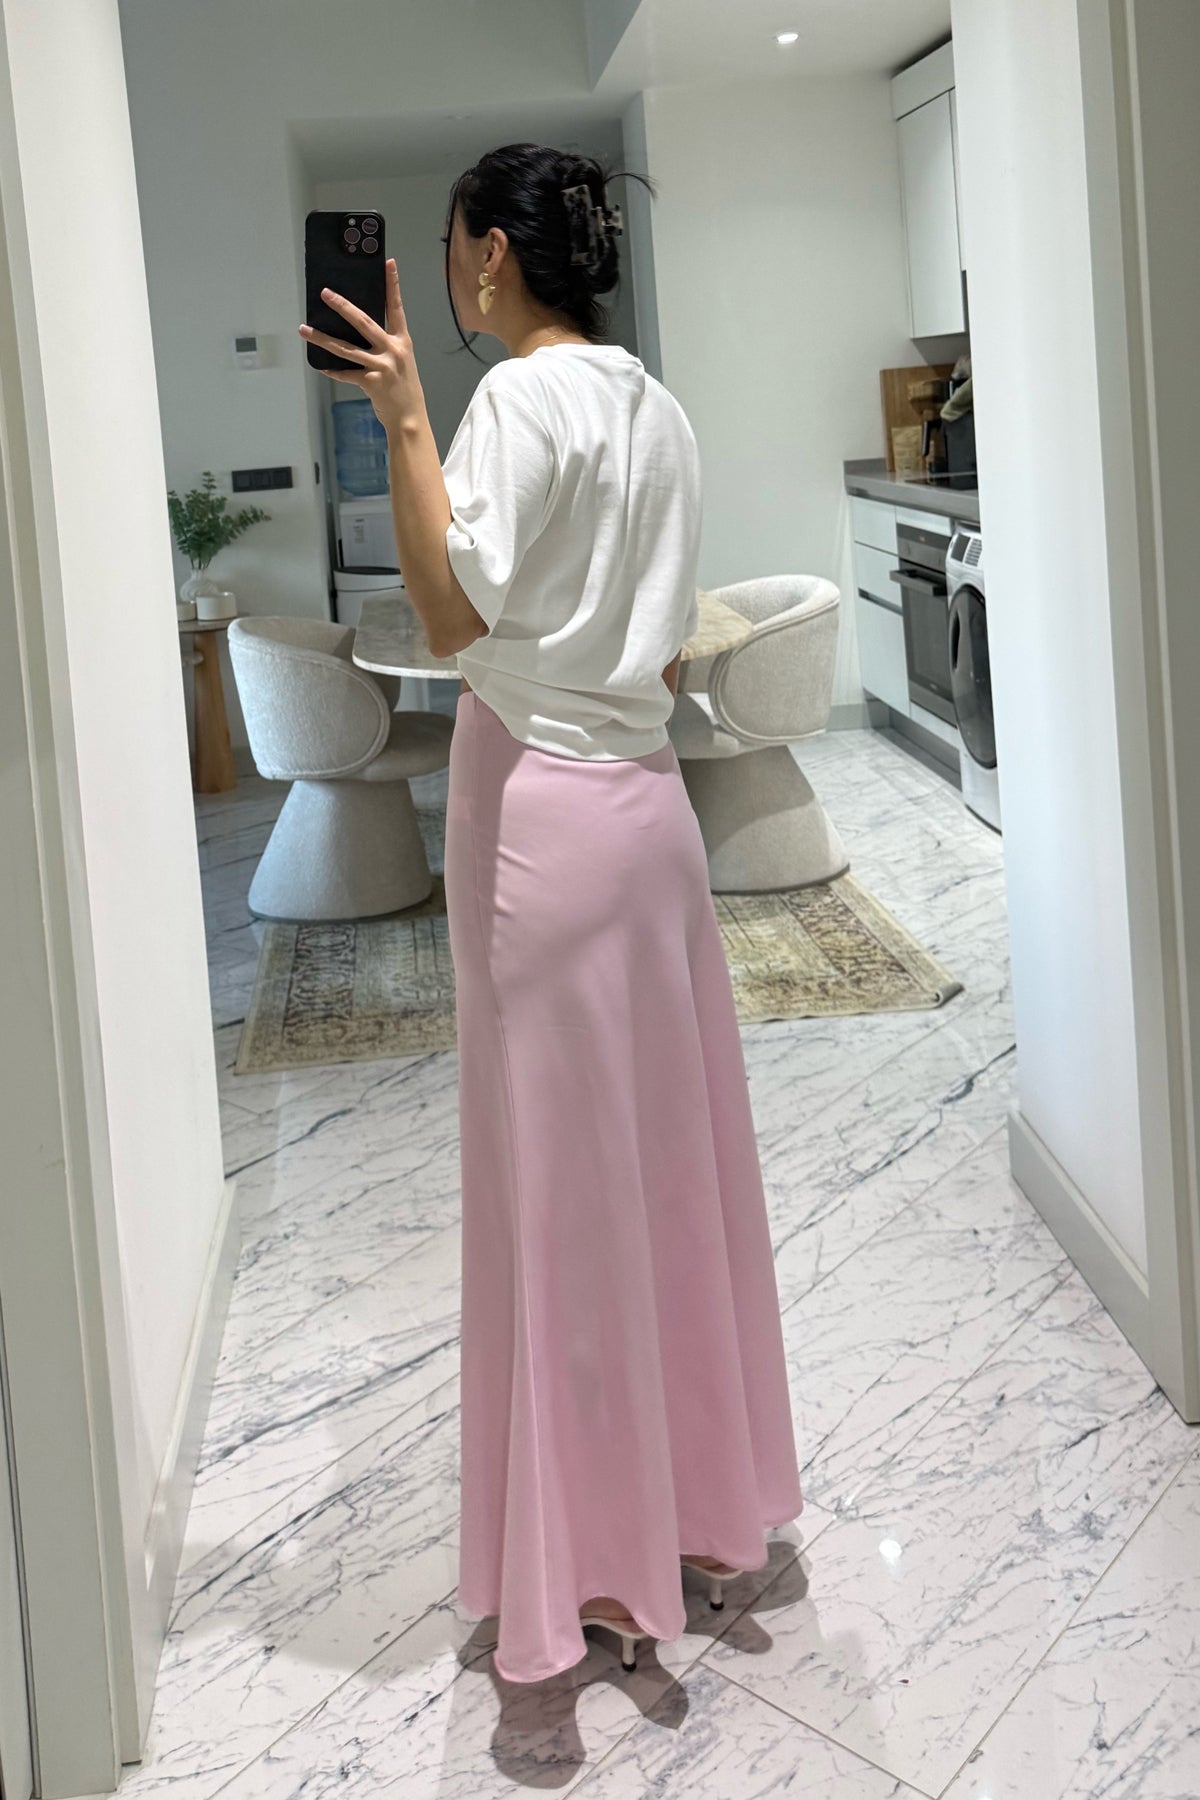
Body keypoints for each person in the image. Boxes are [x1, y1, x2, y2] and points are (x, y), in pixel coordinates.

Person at [298, 141, 803, 1686]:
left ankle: (591, 1564)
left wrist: (401, 415)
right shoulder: (659, 407)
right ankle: (695, 1516)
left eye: (455, 242)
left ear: (491, 258)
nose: (452, 270)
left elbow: (454, 618)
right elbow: (662, 648)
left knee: (562, 1197)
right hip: (647, 816)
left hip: (544, 820)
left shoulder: (516, 401)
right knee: (670, 1174)